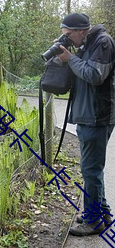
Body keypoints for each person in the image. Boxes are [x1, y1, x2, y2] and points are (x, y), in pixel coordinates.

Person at [57, 13, 115, 236]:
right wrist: (66, 58)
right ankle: (103, 212)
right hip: (87, 115)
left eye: (69, 35)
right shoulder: (86, 44)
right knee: (92, 169)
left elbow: (94, 75)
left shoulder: (103, 42)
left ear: (81, 30)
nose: (68, 39)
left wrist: (70, 59)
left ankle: (93, 221)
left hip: (97, 116)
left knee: (91, 170)